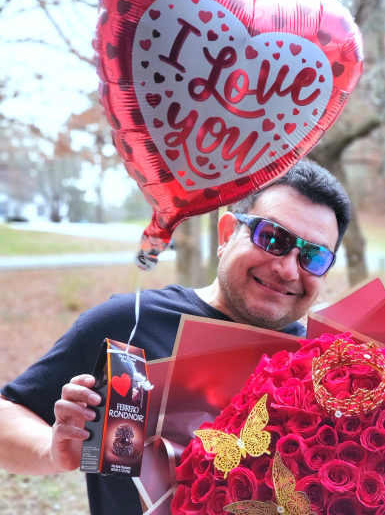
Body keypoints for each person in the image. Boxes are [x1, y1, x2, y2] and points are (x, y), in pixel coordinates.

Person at [0, 159, 351, 515]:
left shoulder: (327, 367)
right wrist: (52, 451)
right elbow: (8, 413)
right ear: (227, 234)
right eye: (272, 238)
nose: (287, 269)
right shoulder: (129, 322)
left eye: (314, 257)